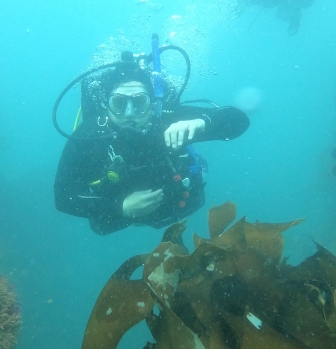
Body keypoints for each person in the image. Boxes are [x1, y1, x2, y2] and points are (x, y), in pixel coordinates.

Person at [54, 54, 249, 235]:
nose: (129, 112)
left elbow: (240, 120)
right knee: (102, 224)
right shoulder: (90, 135)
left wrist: (202, 122)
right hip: (118, 214)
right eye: (119, 103)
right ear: (106, 105)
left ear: (153, 106)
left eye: (140, 102)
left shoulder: (166, 121)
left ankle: (198, 164)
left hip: (174, 206)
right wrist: (119, 207)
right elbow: (63, 197)